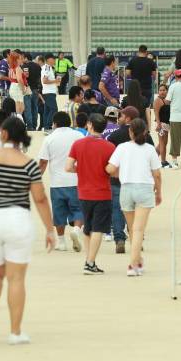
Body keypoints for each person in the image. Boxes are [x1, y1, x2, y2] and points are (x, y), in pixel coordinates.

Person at [0, 117, 55, 345]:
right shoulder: (28, 163)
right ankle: (15, 332)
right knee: (16, 278)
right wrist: (50, 229)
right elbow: (40, 198)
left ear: (3, 134)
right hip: (18, 219)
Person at [106, 118, 162, 276]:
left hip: (126, 188)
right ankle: (133, 264)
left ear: (130, 132)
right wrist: (159, 192)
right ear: (145, 132)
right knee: (138, 230)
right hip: (144, 189)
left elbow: (110, 168)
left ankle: (138, 261)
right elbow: (157, 174)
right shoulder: (150, 149)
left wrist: (119, 172)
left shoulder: (122, 148)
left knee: (132, 230)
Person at [66, 113, 116, 275]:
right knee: (98, 229)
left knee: (88, 228)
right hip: (102, 192)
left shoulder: (78, 144)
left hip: (83, 191)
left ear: (89, 125)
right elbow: (113, 170)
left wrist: (80, 169)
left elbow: (68, 167)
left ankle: (90, 260)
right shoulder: (109, 147)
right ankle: (90, 262)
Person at [38, 111, 85, 252]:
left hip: (57, 183)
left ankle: (62, 242)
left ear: (55, 124)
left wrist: (36, 178)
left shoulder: (49, 138)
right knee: (78, 209)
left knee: (59, 213)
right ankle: (76, 229)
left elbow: (43, 162)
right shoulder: (79, 136)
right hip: (76, 180)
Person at [125, 45, 157, 115]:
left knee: (134, 107)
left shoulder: (132, 61)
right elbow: (154, 75)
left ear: (138, 51)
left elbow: (127, 73)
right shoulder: (151, 62)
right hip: (147, 87)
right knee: (146, 108)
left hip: (135, 88)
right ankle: (146, 123)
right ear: (146, 52)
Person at [153, 84, 171, 168]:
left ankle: (152, 159)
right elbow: (156, 113)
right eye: (160, 90)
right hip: (162, 124)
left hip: (167, 124)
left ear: (167, 91)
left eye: (164, 90)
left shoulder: (167, 100)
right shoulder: (158, 100)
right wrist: (158, 124)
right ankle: (163, 161)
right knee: (162, 143)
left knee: (164, 143)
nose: (162, 92)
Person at [41, 53, 60, 132]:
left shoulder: (49, 68)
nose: (55, 60)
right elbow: (44, 81)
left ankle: (46, 127)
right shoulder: (47, 67)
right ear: (49, 60)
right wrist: (55, 81)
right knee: (54, 109)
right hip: (49, 92)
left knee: (47, 110)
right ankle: (48, 127)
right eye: (53, 59)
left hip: (49, 92)